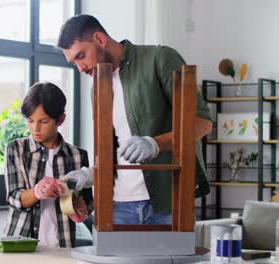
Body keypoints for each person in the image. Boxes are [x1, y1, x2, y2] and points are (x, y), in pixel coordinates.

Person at [58, 15, 212, 225]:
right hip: (117, 206)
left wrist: (155, 144)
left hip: (167, 204)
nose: (80, 67)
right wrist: (91, 173)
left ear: (100, 39)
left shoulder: (160, 58)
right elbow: (111, 148)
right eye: (74, 62)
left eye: (81, 56)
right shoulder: (97, 89)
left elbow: (202, 122)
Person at [3, 82, 93, 248]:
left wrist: (80, 207)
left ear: (60, 119)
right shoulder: (16, 149)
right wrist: (37, 192)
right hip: (20, 245)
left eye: (43, 121)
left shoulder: (78, 156)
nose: (35, 128)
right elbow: (13, 198)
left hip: (62, 245)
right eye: (30, 121)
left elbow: (87, 203)